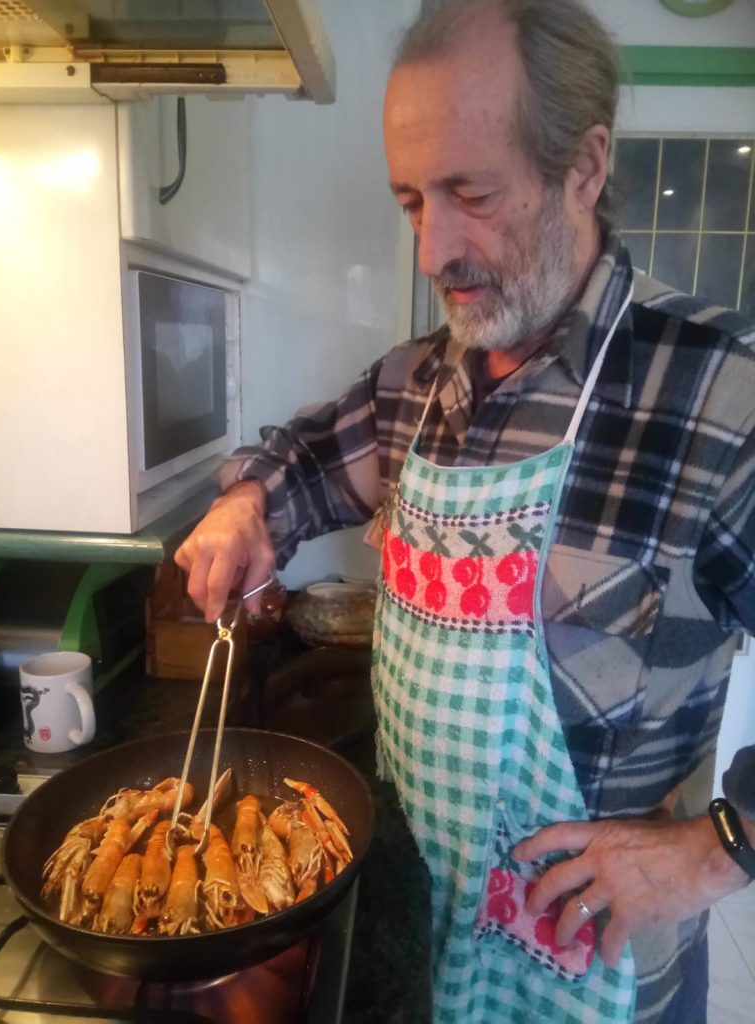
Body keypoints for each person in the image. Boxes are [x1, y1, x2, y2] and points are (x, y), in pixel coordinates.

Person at [174, 1, 755, 1021]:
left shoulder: (719, 392)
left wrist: (723, 847)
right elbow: (300, 461)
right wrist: (243, 507)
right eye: (410, 202)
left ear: (584, 166)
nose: (433, 247)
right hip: (416, 953)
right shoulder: (410, 387)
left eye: (469, 193)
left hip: (600, 980)